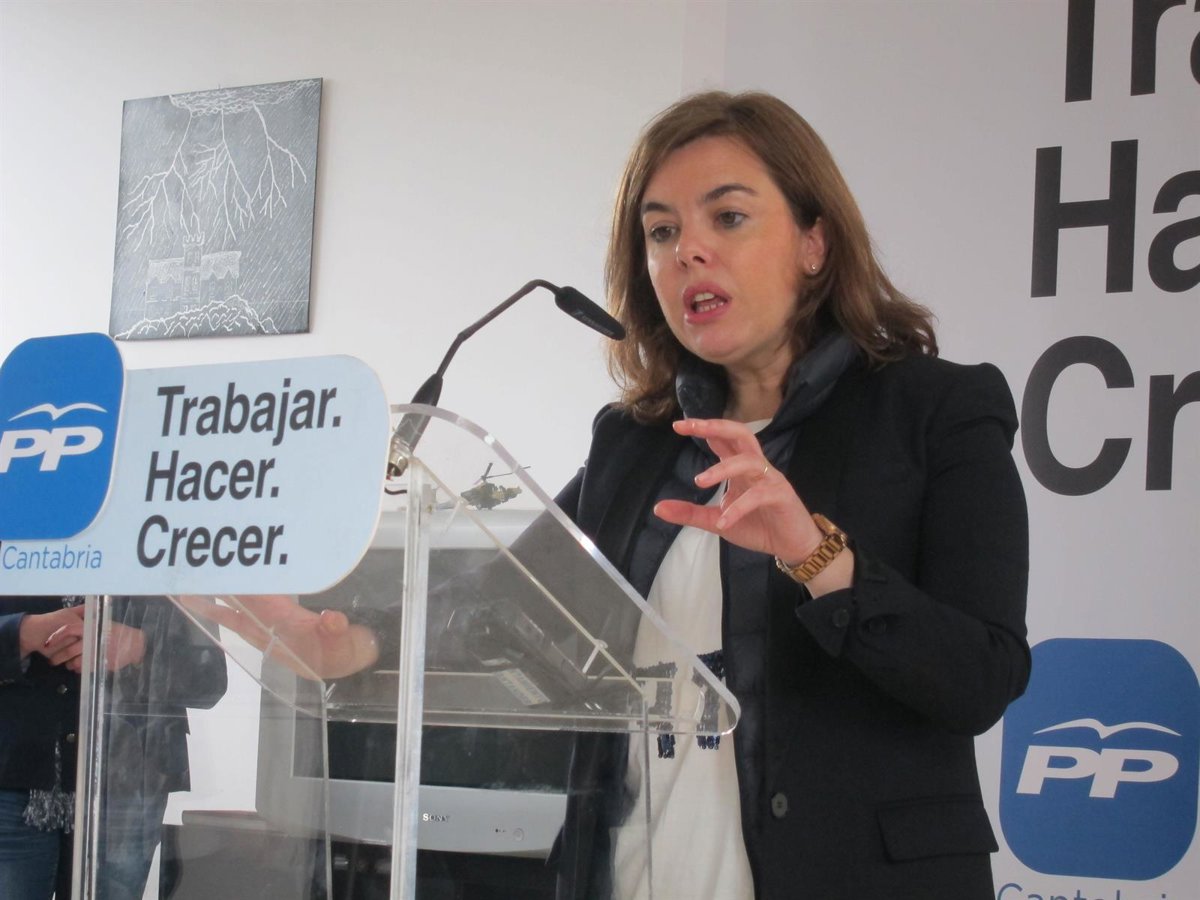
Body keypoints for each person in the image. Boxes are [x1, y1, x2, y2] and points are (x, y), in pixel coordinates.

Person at [196, 90, 1030, 900]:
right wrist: (354, 643)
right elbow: (504, 605)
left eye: (727, 217)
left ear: (815, 242)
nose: (687, 251)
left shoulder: (936, 414)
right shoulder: (636, 442)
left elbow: (981, 679)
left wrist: (818, 558)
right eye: (662, 231)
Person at [0, 596, 228, 899]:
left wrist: (139, 647)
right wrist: (20, 632)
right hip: (11, 775)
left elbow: (209, 680)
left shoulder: (175, 565)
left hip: (127, 785)